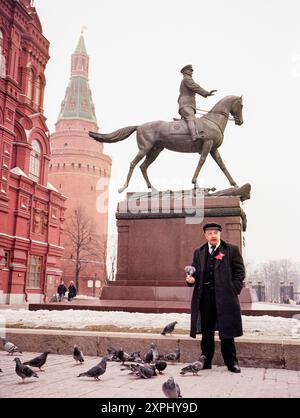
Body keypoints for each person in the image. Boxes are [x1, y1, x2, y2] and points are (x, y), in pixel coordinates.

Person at [185, 222, 245, 373]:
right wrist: (190, 279)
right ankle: (205, 360)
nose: (213, 235)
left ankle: (232, 362)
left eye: (216, 233)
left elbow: (239, 272)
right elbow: (194, 272)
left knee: (227, 330)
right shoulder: (199, 252)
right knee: (207, 330)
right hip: (205, 297)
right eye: (210, 233)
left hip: (225, 297)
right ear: (205, 235)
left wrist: (234, 290)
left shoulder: (231, 250)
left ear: (220, 234)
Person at [178, 64, 217, 141]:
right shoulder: (187, 79)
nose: (192, 72)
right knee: (191, 118)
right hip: (186, 103)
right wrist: (206, 93)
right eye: (190, 70)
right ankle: (194, 136)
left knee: (190, 119)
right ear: (185, 72)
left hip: (186, 103)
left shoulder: (186, 80)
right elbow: (196, 87)